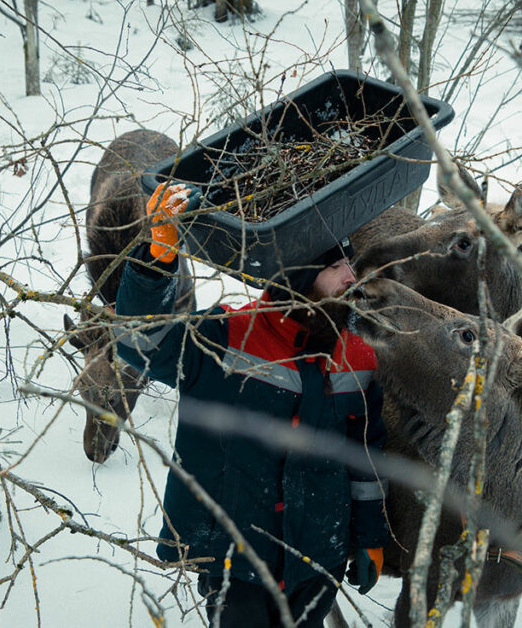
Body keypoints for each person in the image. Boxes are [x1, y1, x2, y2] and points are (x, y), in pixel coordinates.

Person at [114, 181, 390, 628]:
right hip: (236, 564)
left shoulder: (357, 354)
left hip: (319, 558)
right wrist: (156, 258)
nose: (351, 278)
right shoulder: (227, 338)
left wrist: (369, 536)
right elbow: (139, 342)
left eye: (350, 263)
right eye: (336, 265)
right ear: (300, 275)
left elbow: (365, 456)